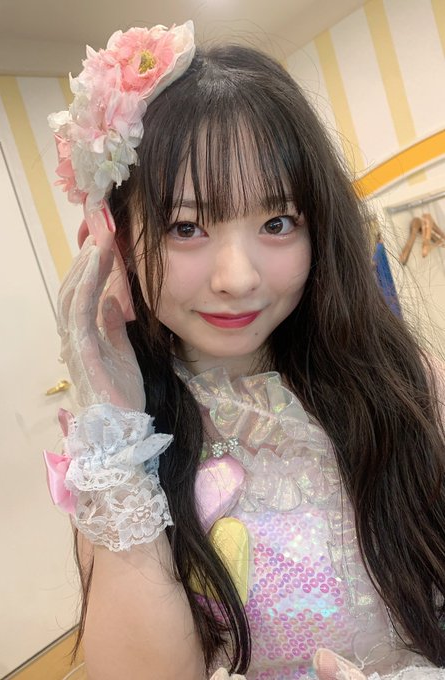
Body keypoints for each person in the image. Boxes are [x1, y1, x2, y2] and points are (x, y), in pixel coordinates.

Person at [44, 20, 445, 680]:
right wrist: (114, 428)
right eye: (186, 227)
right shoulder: (115, 462)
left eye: (277, 222)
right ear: (115, 238)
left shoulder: (410, 386)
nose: (238, 278)